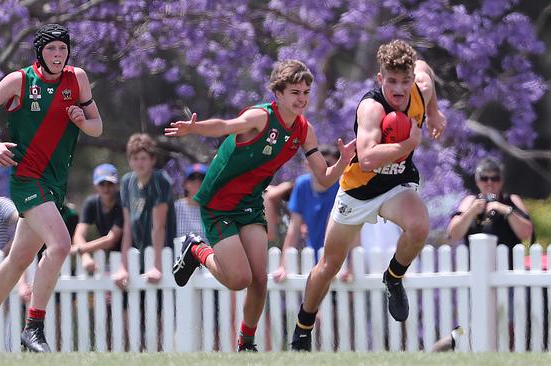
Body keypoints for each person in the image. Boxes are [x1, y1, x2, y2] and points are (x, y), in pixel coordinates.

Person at [165, 59, 356, 352]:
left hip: (251, 203)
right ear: (278, 94)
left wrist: (343, 162)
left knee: (258, 279)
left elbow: (324, 177)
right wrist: (195, 128)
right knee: (239, 279)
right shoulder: (261, 117)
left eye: (306, 92)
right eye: (295, 92)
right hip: (219, 203)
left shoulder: (305, 130)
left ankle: (246, 343)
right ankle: (195, 249)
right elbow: (226, 126)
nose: (301, 98)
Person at [289, 39, 447, 351]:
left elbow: (426, 70)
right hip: (358, 190)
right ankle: (302, 330)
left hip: (396, 184)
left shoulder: (422, 85)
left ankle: (393, 276)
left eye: (405, 81)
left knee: (419, 227)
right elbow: (369, 156)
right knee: (330, 264)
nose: (399, 90)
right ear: (380, 79)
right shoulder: (371, 107)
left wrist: (435, 111)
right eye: (391, 82)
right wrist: (407, 145)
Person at [0, 23, 102, 353]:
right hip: (27, 178)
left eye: (63, 48)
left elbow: (98, 128)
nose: (58, 54)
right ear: (39, 52)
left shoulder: (78, 79)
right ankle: (34, 327)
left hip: (55, 182)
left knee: (17, 261)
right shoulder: (21, 81)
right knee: (60, 244)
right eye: (51, 49)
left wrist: (83, 121)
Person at [112, 133, 176, 288]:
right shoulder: (127, 182)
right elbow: (128, 227)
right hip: (139, 255)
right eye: (135, 159)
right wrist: (123, 267)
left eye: (143, 158)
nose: (139, 163)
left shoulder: (160, 181)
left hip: (164, 256)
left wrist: (157, 266)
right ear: (129, 161)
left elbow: (158, 227)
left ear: (152, 160)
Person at [447, 158, 533, 269]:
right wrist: (471, 212)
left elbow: (526, 233)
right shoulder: (469, 201)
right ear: (477, 181)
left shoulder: (511, 200)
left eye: (495, 178)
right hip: (476, 272)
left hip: (509, 272)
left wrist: (503, 209)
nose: (489, 183)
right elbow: (453, 235)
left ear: (501, 181)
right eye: (484, 178)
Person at [272, 145, 340, 282]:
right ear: (307, 165)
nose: (326, 170)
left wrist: (349, 267)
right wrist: (283, 266)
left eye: (330, 165)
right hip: (313, 256)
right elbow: (294, 228)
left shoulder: (342, 187)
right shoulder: (302, 185)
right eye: (320, 164)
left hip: (340, 260)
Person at [72, 163, 124, 273]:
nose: (106, 188)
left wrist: (79, 249)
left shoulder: (122, 202)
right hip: (111, 257)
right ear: (95, 186)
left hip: (130, 254)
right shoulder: (91, 203)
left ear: (117, 185)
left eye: (110, 184)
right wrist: (85, 257)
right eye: (101, 184)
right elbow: (78, 235)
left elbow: (111, 239)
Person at [175, 163, 207, 239]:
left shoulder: (211, 210)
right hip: (180, 250)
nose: (197, 182)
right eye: (192, 178)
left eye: (201, 179)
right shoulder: (176, 207)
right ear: (185, 184)